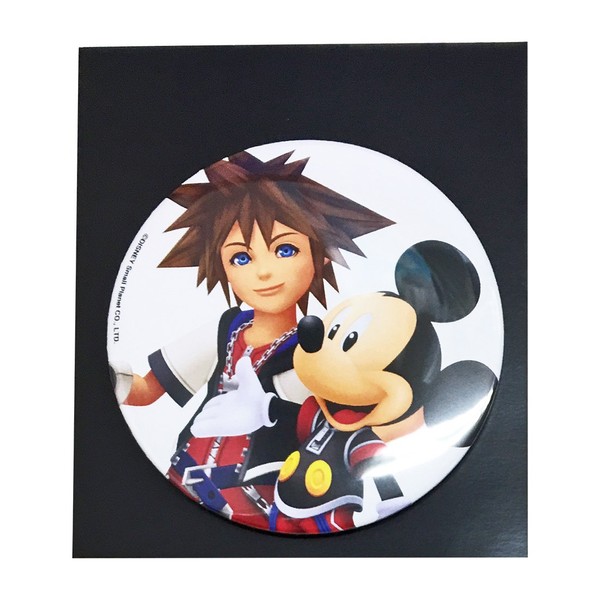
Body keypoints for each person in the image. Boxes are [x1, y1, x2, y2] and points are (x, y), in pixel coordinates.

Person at [114, 149, 394, 530]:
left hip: (262, 509)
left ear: (322, 255)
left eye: (285, 250)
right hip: (182, 484)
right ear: (222, 265)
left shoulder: (319, 350)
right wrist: (110, 377)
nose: (264, 273)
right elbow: (147, 391)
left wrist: (268, 412)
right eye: (241, 258)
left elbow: (342, 428)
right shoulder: (226, 330)